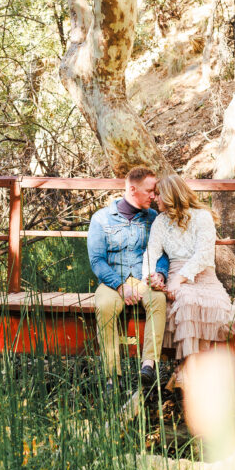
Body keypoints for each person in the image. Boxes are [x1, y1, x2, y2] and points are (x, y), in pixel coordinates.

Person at [87, 166, 170, 393]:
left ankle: (148, 366)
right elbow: (97, 260)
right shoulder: (101, 218)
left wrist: (160, 274)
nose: (153, 196)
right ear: (132, 189)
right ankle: (113, 377)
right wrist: (120, 286)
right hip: (113, 281)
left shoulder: (154, 218)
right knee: (104, 306)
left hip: (144, 279)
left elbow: (164, 253)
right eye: (149, 191)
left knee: (158, 301)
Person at [146, 174, 235, 367]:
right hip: (174, 271)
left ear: (170, 196)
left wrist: (179, 279)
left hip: (203, 273)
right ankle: (192, 368)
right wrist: (150, 275)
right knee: (186, 300)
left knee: (214, 305)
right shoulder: (160, 221)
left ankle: (188, 369)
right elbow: (151, 253)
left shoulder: (202, 217)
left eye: (158, 194)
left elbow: (203, 255)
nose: (155, 198)